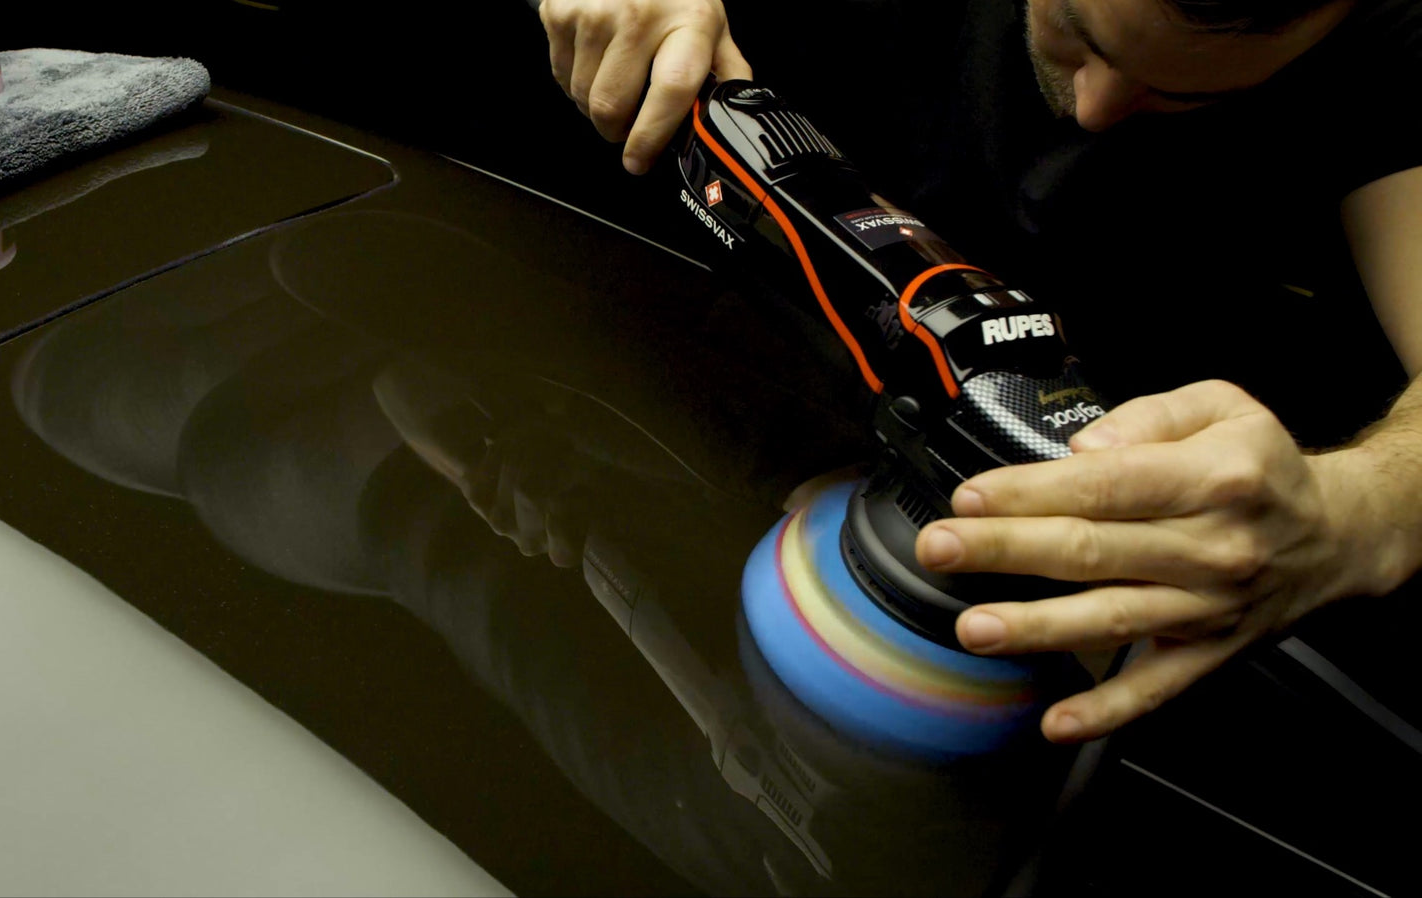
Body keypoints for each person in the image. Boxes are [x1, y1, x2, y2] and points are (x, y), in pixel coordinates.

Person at [535, 0, 1422, 743]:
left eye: (1185, 92)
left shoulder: (1392, 29)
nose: (1096, 108)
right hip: (595, 372)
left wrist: (1364, 507)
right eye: (1076, 31)